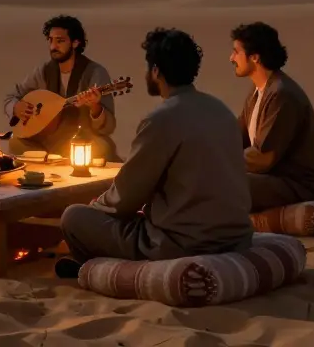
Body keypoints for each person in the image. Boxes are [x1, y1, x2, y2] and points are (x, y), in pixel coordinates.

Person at [56, 28, 253, 278]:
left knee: (74, 217)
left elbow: (125, 198)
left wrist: (95, 206)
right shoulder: (221, 110)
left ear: (156, 71)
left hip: (183, 242)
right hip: (236, 237)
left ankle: (95, 270)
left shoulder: (161, 119)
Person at [230, 21, 314, 211]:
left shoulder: (281, 94)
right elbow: (236, 137)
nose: (231, 58)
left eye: (236, 52)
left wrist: (224, 162)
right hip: (271, 178)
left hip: (295, 185)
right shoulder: (258, 91)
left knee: (221, 185)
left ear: (254, 57)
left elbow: (263, 158)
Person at [2, 15, 120, 160]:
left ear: (75, 43)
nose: (53, 46)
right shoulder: (44, 71)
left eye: (60, 41)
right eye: (50, 40)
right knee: (15, 142)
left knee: (102, 147)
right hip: (47, 139)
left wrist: (95, 107)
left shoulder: (95, 73)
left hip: (79, 138)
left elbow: (108, 128)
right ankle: (50, 161)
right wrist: (16, 107)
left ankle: (53, 162)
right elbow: (11, 98)